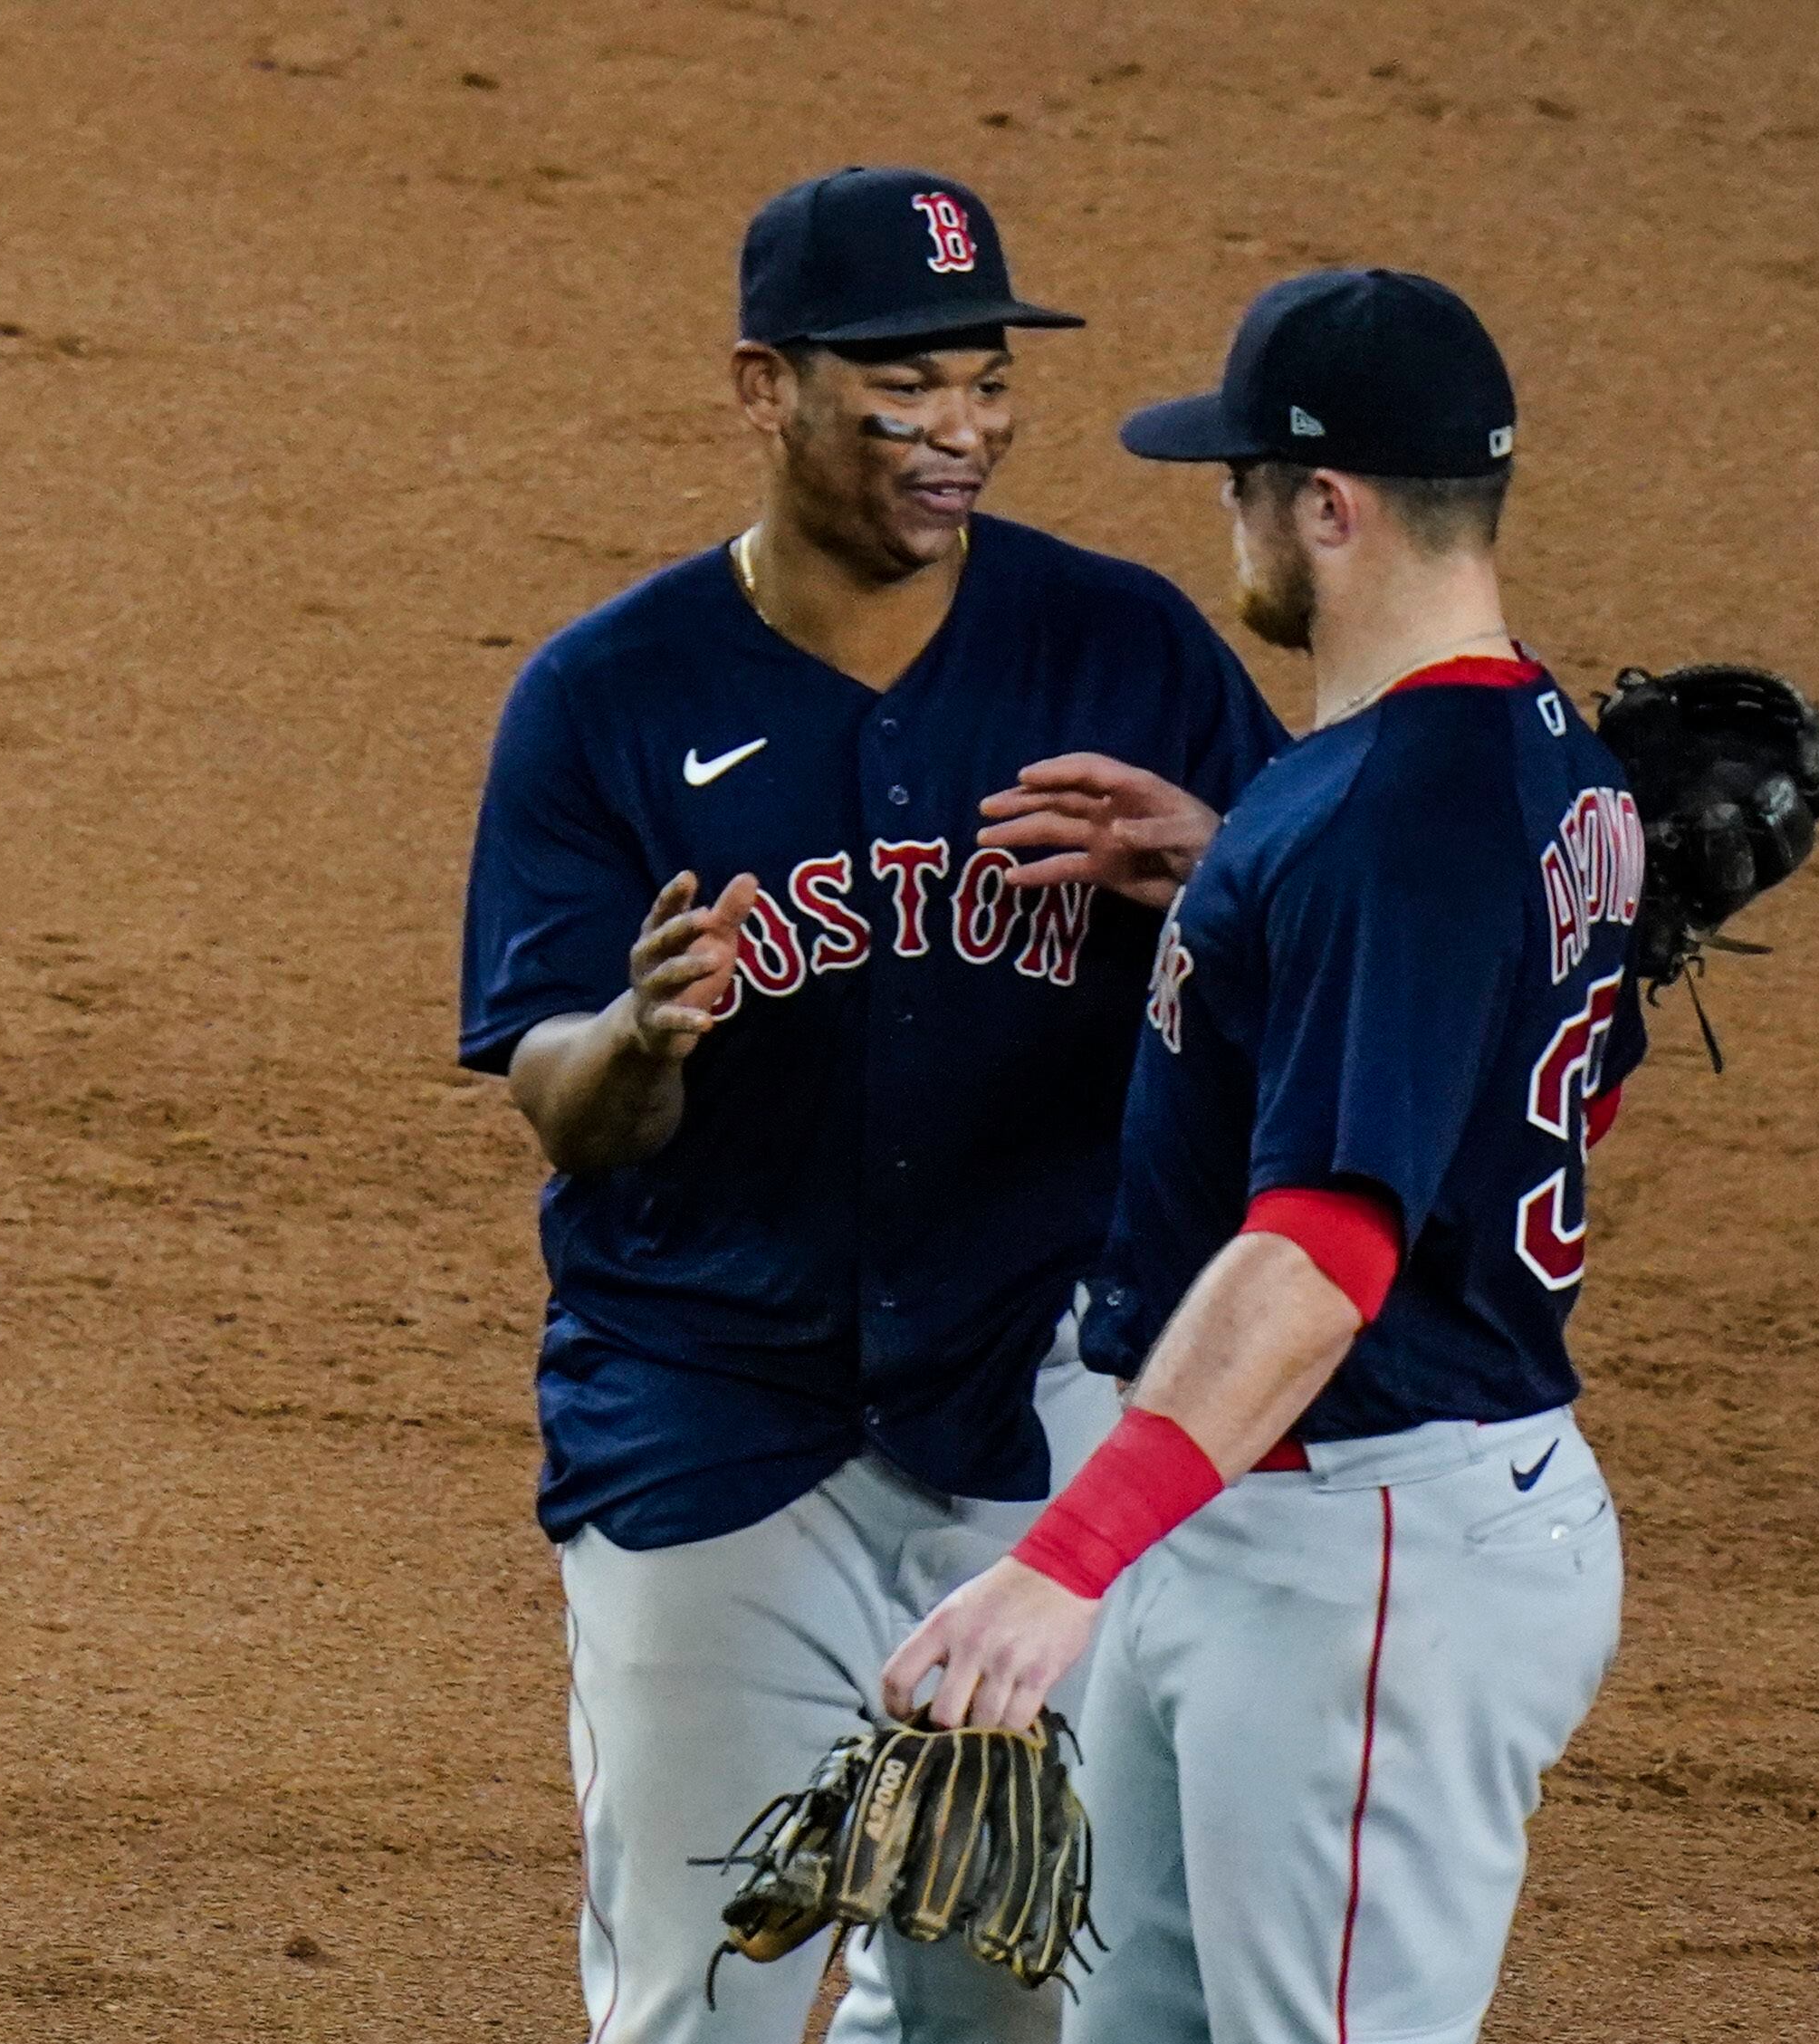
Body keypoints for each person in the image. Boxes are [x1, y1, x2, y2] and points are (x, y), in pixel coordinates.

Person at [456, 167, 1286, 2044]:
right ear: (768, 390)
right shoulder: (606, 695)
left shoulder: (1127, 649)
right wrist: (642, 1039)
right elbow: (560, 1101)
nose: (963, 431)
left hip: (1047, 1407)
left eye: (989, 381)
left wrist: (1223, 869)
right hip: (714, 1415)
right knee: (707, 2002)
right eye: (907, 386)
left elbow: (1331, 969)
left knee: (1012, 1989)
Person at [882, 269, 1650, 2044]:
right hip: (1270, 1519)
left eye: (1239, 478)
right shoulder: (1538, 755)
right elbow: (1540, 1074)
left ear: (1327, 505)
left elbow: (1324, 1257)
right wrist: (1245, 891)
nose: (1222, 512)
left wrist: (1065, 1554)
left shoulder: (1388, 821)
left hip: (1364, 1545)